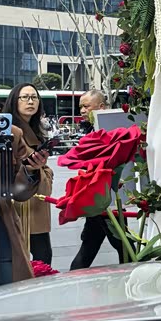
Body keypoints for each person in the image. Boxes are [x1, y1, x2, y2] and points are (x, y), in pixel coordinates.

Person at [69, 90, 126, 271]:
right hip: (98, 198)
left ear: (101, 107)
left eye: (86, 106)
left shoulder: (112, 131)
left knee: (122, 246)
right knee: (96, 247)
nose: (82, 111)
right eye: (80, 107)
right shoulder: (90, 130)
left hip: (109, 198)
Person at [2, 83, 54, 265]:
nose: (30, 101)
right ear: (14, 101)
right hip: (20, 205)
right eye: (24, 97)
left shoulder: (36, 129)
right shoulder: (10, 132)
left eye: (34, 97)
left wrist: (45, 171)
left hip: (36, 203)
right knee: (32, 258)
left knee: (42, 256)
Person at [0, 124, 48, 286]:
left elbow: (19, 193)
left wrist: (30, 169)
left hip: (1, 226)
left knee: (8, 288)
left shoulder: (11, 133)